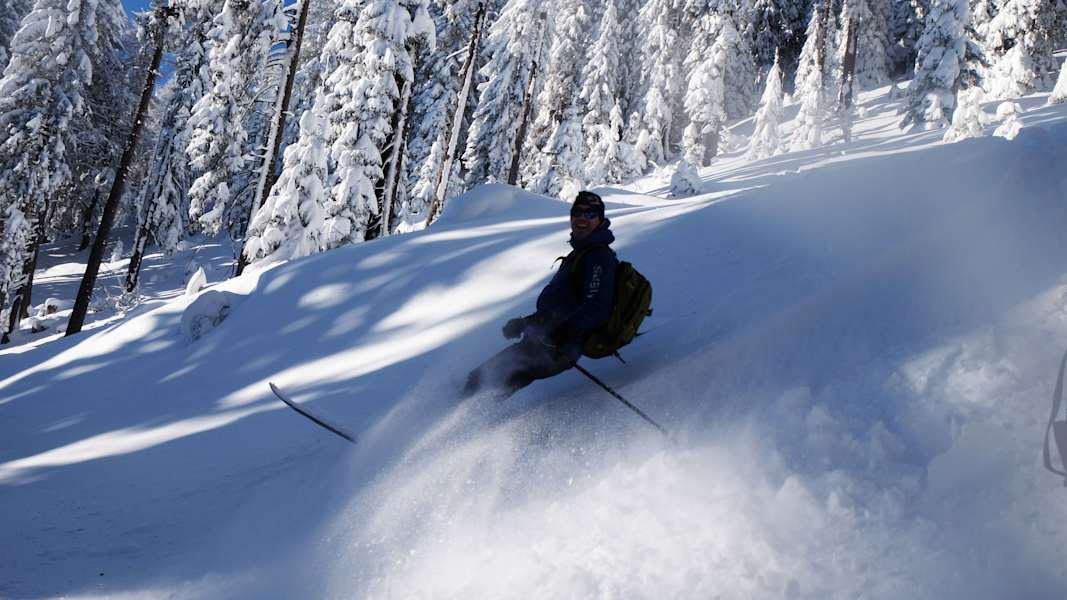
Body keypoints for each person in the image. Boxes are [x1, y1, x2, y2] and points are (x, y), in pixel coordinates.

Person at [463, 190, 619, 400]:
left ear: (600, 220)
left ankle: (460, 427)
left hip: (558, 350)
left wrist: (563, 333)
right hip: (541, 343)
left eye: (591, 214)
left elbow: (597, 306)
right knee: (482, 385)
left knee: (482, 386)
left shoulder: (599, 257)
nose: (582, 218)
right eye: (578, 212)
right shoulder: (581, 254)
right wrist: (525, 323)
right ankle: (469, 423)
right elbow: (559, 307)